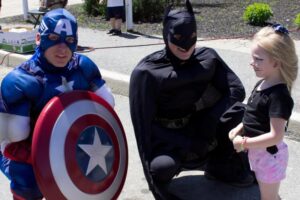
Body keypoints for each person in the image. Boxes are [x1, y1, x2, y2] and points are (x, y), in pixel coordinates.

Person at [129, 1, 254, 199]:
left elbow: (236, 90)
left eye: (192, 37)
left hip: (199, 126)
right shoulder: (147, 73)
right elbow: (144, 128)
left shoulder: (207, 58)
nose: (186, 45)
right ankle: (179, 165)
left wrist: (211, 119)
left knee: (244, 113)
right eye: (178, 37)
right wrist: (187, 143)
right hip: (168, 139)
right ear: (166, 35)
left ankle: (220, 165)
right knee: (161, 168)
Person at [0, 8, 114, 200]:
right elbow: (10, 143)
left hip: (73, 143)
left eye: (69, 41)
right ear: (39, 38)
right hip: (27, 151)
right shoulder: (20, 81)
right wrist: (53, 159)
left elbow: (106, 109)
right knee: (27, 181)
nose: (62, 49)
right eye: (53, 38)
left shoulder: (84, 67)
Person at [229, 24, 298, 200]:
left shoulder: (279, 96)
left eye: (258, 59)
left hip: (270, 157)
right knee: (267, 192)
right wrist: (240, 128)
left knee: (268, 197)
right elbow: (255, 116)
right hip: (259, 152)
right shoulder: (262, 83)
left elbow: (276, 136)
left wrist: (244, 143)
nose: (252, 63)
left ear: (276, 62)